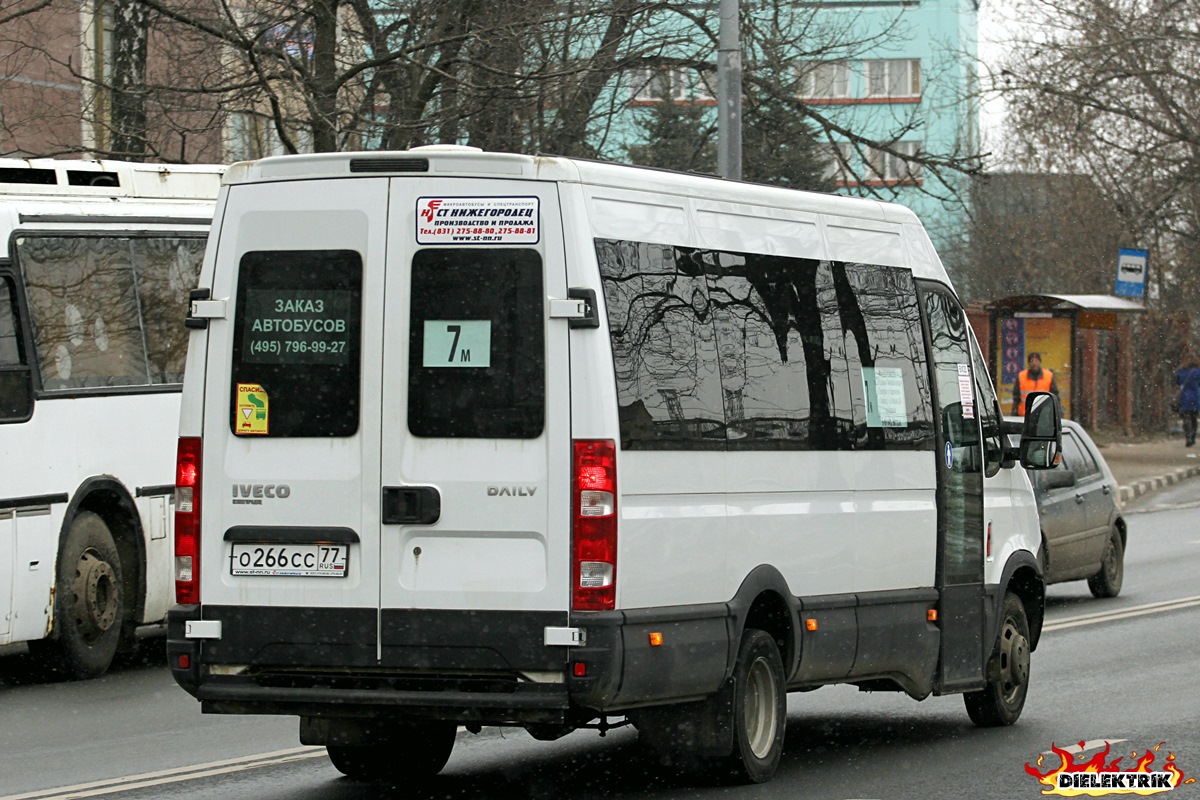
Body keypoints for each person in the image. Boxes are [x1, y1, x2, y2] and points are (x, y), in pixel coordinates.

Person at [1011, 351, 1059, 416]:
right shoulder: (1021, 376)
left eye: (1036, 361)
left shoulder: (1048, 376)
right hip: (1025, 415)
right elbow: (1016, 397)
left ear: (1040, 362)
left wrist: (1057, 413)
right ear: (1029, 363)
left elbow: (1055, 396)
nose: (1034, 363)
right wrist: (1014, 412)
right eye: (1031, 361)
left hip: (1043, 415)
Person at [1176, 358, 1200, 447]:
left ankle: (1188, 436)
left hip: (1184, 397)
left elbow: (1177, 382)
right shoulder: (1198, 372)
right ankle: (1193, 437)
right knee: (1194, 418)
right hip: (1195, 397)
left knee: (1186, 417)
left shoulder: (1180, 372)